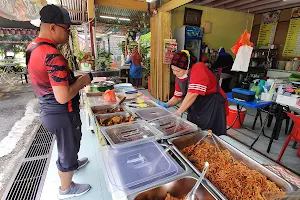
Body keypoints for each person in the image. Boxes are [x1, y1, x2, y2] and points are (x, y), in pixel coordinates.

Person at [26, 5, 92, 199]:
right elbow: (62, 96)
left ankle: (73, 163)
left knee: (68, 145)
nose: (69, 34)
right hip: (61, 112)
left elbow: (48, 81)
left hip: (48, 110)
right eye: (67, 29)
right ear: (53, 28)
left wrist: (71, 79)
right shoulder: (51, 55)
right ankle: (66, 187)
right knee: (67, 149)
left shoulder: (33, 48)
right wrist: (82, 81)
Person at [158, 50, 228, 136]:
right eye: (173, 70)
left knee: (209, 134)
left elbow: (192, 94)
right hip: (196, 105)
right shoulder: (179, 78)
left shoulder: (199, 68)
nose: (175, 73)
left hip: (212, 103)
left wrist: (178, 113)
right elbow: (177, 97)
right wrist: (167, 104)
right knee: (193, 129)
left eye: (178, 70)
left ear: (187, 67)